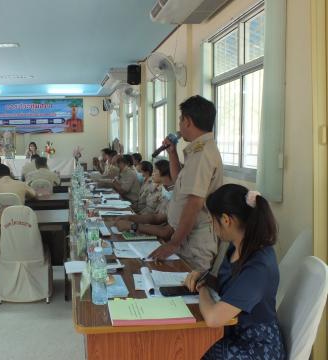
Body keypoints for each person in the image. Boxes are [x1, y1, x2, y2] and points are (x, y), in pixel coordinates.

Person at [116, 95, 223, 271]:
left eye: (181, 120)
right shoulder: (198, 150)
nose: (179, 126)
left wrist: (173, 243)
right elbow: (178, 180)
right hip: (183, 235)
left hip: (192, 241)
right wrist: (172, 153)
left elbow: (194, 203)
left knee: (185, 291)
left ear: (187, 121)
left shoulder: (202, 154)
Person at [185, 184, 286, 359]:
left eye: (212, 220)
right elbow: (230, 286)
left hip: (256, 346)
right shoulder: (237, 247)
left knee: (189, 350)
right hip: (234, 333)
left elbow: (214, 319)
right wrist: (205, 277)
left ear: (226, 220)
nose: (212, 226)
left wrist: (202, 289)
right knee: (187, 346)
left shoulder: (258, 265)